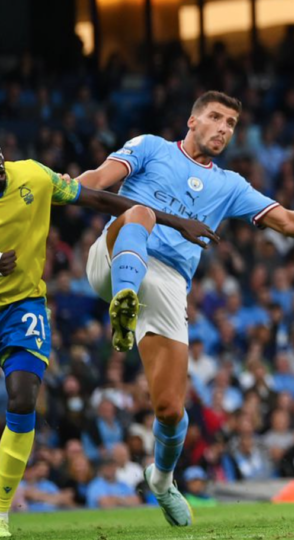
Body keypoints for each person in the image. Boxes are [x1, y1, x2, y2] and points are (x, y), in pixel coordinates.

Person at [76, 91, 294, 527]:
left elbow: (287, 221)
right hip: (117, 252)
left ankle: (160, 478)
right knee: (140, 212)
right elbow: (98, 177)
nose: (223, 128)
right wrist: (65, 186)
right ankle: (124, 298)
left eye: (231, 123)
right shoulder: (151, 147)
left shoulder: (230, 185)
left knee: (171, 409)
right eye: (215, 117)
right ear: (192, 121)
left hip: (170, 283)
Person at [0, 147, 214, 537]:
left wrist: (171, 220)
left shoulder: (32, 176)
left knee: (22, 397)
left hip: (21, 307)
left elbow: (99, 197)